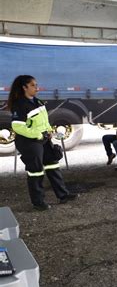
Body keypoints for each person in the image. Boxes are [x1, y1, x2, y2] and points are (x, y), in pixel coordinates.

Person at [8, 75, 76, 210]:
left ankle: (63, 195)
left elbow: (44, 121)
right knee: (36, 171)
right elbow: (18, 126)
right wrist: (38, 135)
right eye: (33, 85)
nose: (36, 88)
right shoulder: (20, 104)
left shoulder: (38, 102)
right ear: (24, 87)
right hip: (29, 142)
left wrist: (49, 131)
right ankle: (38, 203)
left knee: (52, 165)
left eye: (36, 84)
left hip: (43, 139)